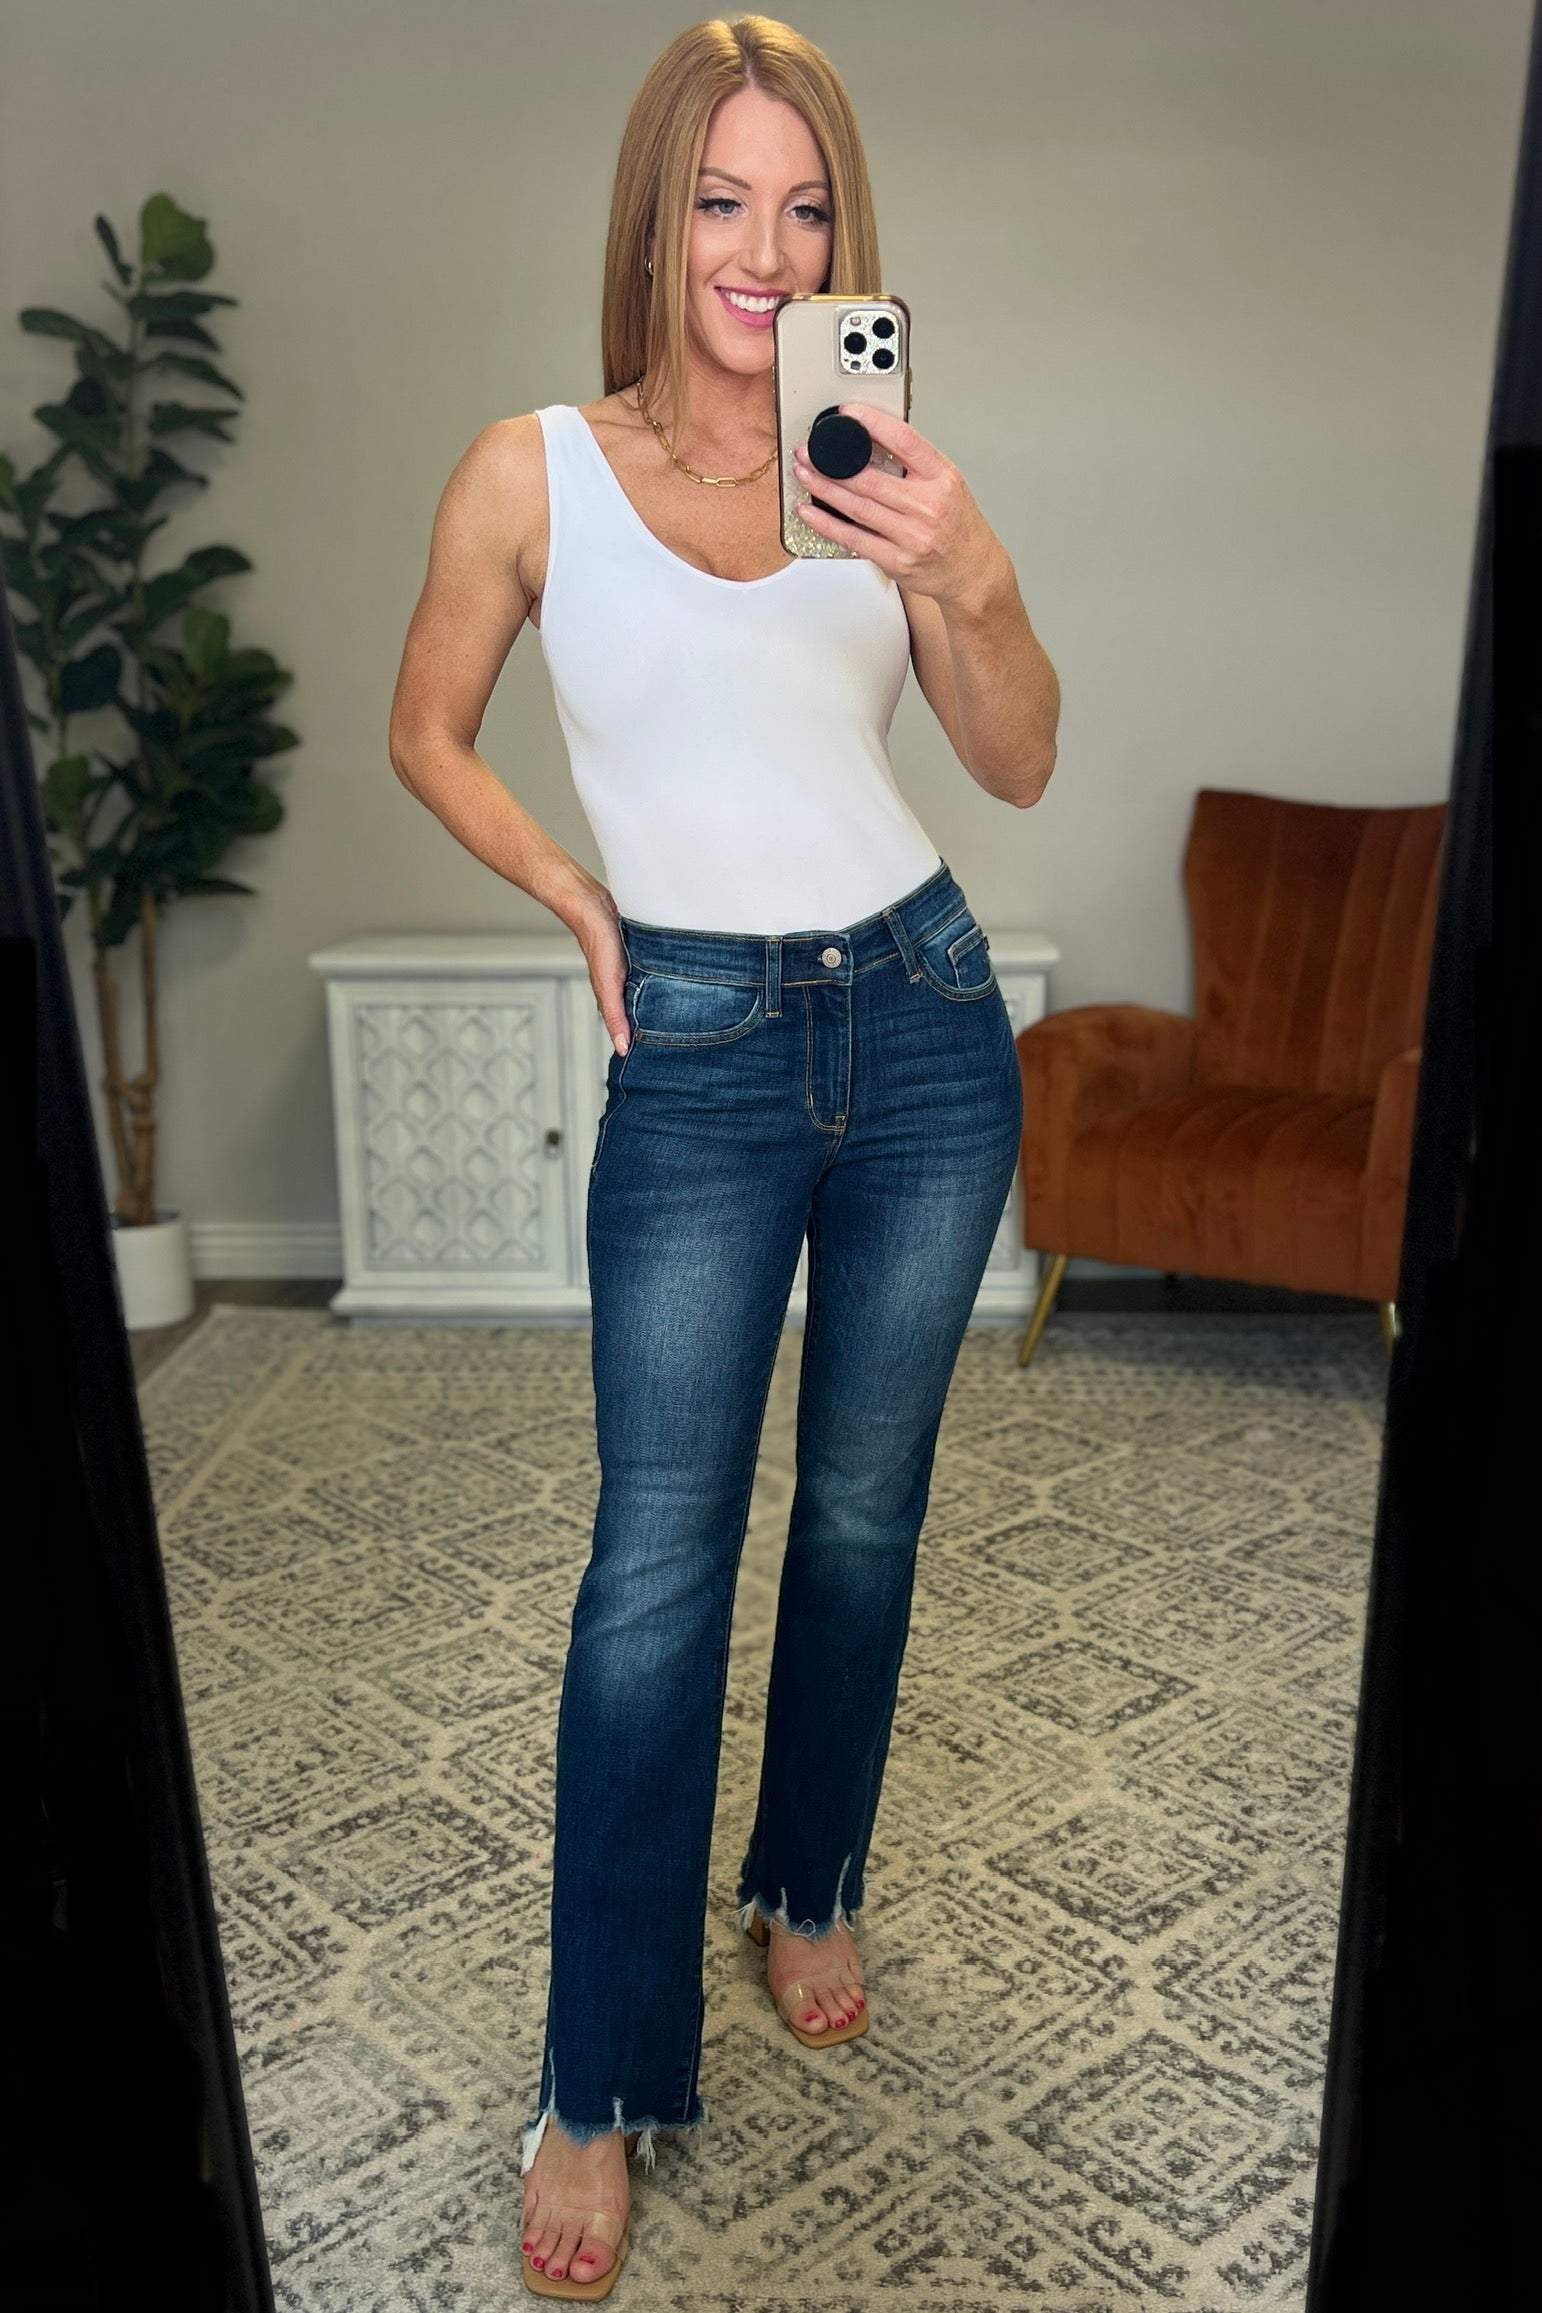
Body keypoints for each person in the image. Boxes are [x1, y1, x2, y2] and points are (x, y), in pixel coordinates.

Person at [388, 14, 1059, 2297]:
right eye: (719, 201)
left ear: (844, 235)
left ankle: (810, 1875)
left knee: (864, 1506)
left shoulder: (883, 474)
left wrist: (967, 568)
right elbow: (428, 726)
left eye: (806, 208)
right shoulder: (529, 472)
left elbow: (1018, 760)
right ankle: (595, 2074)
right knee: (655, 1565)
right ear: (655, 215)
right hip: (691, 1044)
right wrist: (573, 893)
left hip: (928, 1017)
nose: (763, 251)